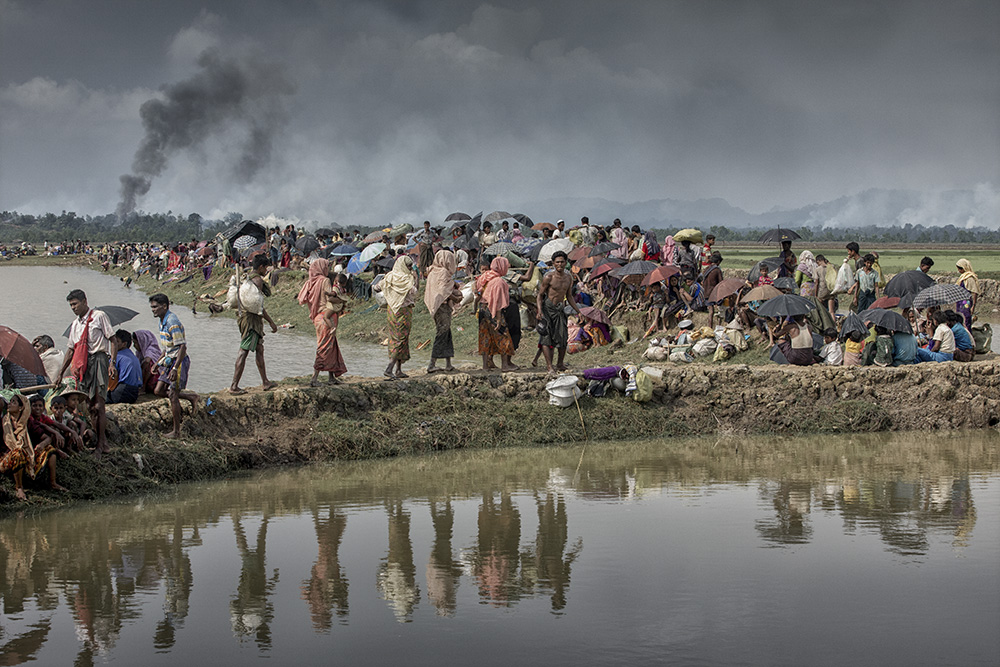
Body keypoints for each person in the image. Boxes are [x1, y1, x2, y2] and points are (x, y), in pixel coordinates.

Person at [57, 289, 114, 457]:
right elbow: (70, 350)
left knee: (98, 404)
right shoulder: (75, 324)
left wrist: (112, 363)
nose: (73, 308)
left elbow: (112, 339)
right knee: (89, 406)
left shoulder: (99, 316)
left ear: (84, 301)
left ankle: (101, 443)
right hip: (84, 363)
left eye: (75, 304)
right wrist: (61, 373)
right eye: (71, 305)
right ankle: (100, 442)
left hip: (98, 359)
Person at [149, 293, 199, 438]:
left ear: (164, 306)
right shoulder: (162, 320)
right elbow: (166, 347)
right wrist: (158, 364)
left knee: (172, 394)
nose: (153, 310)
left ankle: (176, 431)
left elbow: (182, 347)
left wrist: (175, 368)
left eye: (155, 307)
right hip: (169, 359)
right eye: (152, 307)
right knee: (158, 391)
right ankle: (191, 397)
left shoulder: (172, 322)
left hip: (179, 361)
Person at [1, 394, 65, 500]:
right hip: (6, 458)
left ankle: (53, 483)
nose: (9, 404)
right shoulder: (4, 423)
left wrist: (41, 445)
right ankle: (19, 488)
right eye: (10, 401)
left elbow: (47, 438)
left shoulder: (28, 422)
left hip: (26, 457)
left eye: (13, 402)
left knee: (50, 450)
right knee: (18, 452)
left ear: (21, 408)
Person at [231, 255, 279, 394]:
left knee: (259, 348)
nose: (267, 270)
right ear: (261, 267)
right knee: (243, 351)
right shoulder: (257, 281)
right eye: (266, 268)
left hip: (246, 318)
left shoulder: (246, 277)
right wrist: (271, 322)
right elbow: (258, 305)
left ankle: (265, 382)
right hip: (251, 320)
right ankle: (234, 386)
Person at [297, 258, 349, 386]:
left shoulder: (310, 282)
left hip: (318, 318)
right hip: (327, 316)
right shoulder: (324, 281)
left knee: (330, 345)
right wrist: (343, 301)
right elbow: (330, 299)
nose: (328, 269)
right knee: (324, 347)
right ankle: (314, 379)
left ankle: (331, 377)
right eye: (326, 266)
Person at [537, 251, 582, 374]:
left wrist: (579, 311)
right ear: (553, 263)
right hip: (548, 309)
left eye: (562, 262)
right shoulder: (548, 277)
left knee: (563, 338)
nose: (560, 264)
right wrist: (539, 310)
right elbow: (540, 295)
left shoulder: (568, 278)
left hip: (560, 309)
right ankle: (549, 366)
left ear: (566, 263)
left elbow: (569, 296)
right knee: (546, 338)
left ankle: (560, 364)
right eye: (557, 262)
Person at [377, 256, 418, 380]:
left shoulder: (390, 276)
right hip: (403, 311)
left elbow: (377, 287)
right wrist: (415, 278)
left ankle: (398, 370)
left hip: (392, 310)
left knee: (397, 337)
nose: (410, 268)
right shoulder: (407, 278)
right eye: (409, 266)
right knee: (401, 338)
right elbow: (414, 292)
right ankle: (390, 368)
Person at [476, 256, 518, 372]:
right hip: (492, 310)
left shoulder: (485, 276)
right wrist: (499, 319)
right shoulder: (499, 281)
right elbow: (497, 302)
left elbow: (477, 291)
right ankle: (505, 365)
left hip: (482, 309)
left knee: (485, 336)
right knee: (502, 335)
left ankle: (485, 366)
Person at [424, 250, 462, 373]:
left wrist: (453, 284)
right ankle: (432, 364)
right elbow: (442, 290)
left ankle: (448, 363)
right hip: (442, 307)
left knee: (447, 333)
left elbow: (441, 287)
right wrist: (455, 298)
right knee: (442, 334)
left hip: (436, 306)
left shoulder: (432, 271)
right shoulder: (443, 272)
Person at [107, 329, 143, 404]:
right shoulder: (132, 356)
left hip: (123, 391)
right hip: (135, 393)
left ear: (124, 344)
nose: (114, 344)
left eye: (117, 342)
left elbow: (109, 375)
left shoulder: (117, 356)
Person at [955, 258, 978, 328]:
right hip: (960, 302)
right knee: (959, 319)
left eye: (960, 269)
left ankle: (967, 336)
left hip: (966, 303)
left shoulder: (969, 278)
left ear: (964, 268)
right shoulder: (962, 277)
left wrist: (973, 306)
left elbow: (974, 292)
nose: (959, 271)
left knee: (966, 321)